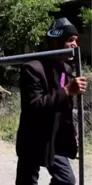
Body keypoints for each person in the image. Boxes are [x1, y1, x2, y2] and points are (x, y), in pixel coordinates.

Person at [15, 17, 87, 185]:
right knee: (26, 181)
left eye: (76, 40)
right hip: (32, 137)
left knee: (66, 180)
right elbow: (34, 105)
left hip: (54, 139)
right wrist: (68, 90)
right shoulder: (32, 68)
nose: (75, 45)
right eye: (70, 40)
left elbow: (65, 105)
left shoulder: (66, 69)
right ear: (55, 43)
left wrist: (71, 130)